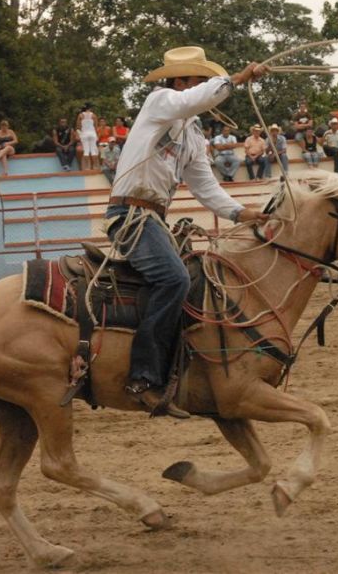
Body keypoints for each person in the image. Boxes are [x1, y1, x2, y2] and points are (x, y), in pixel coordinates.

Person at [106, 46, 268, 416]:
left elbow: (205, 186)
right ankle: (142, 378)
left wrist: (242, 214)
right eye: (200, 80)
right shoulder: (160, 101)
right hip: (129, 215)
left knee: (197, 283)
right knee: (174, 280)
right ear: (181, 83)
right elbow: (197, 99)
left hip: (152, 220)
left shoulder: (193, 136)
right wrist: (237, 79)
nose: (206, 88)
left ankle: (181, 371)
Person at [76, 104, 99, 171]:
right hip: (92, 133)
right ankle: (94, 166)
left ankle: (87, 167)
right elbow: (96, 126)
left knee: (86, 151)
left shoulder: (80, 115)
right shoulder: (93, 115)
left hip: (84, 133)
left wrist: (80, 133)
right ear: (90, 108)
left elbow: (78, 126)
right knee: (93, 151)